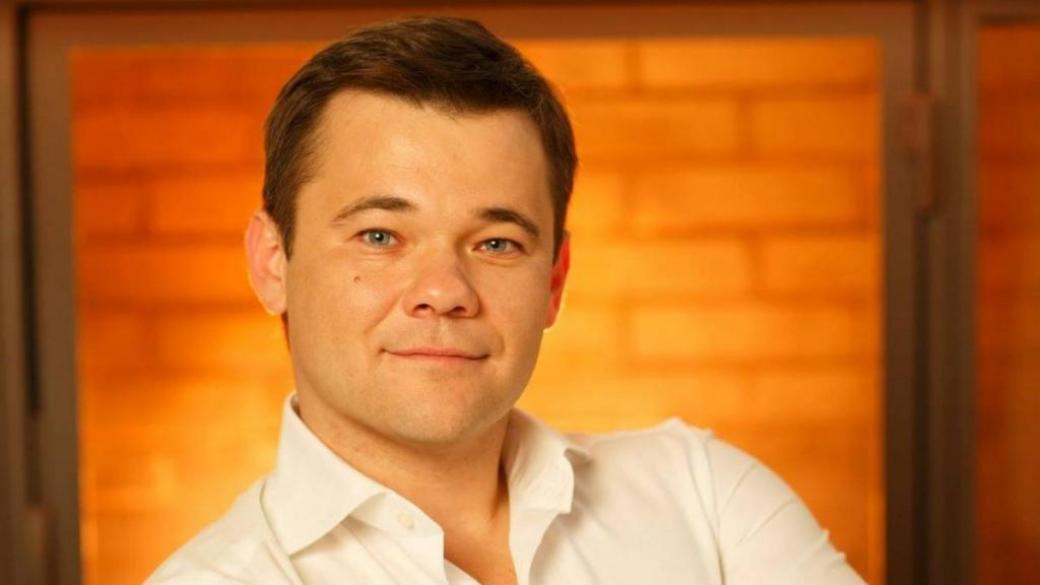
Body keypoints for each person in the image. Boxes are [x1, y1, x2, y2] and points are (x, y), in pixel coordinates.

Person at [147, 16, 865, 585]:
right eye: (380, 235)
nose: (444, 292)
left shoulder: (705, 497)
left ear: (554, 280)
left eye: (496, 243)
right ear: (272, 262)